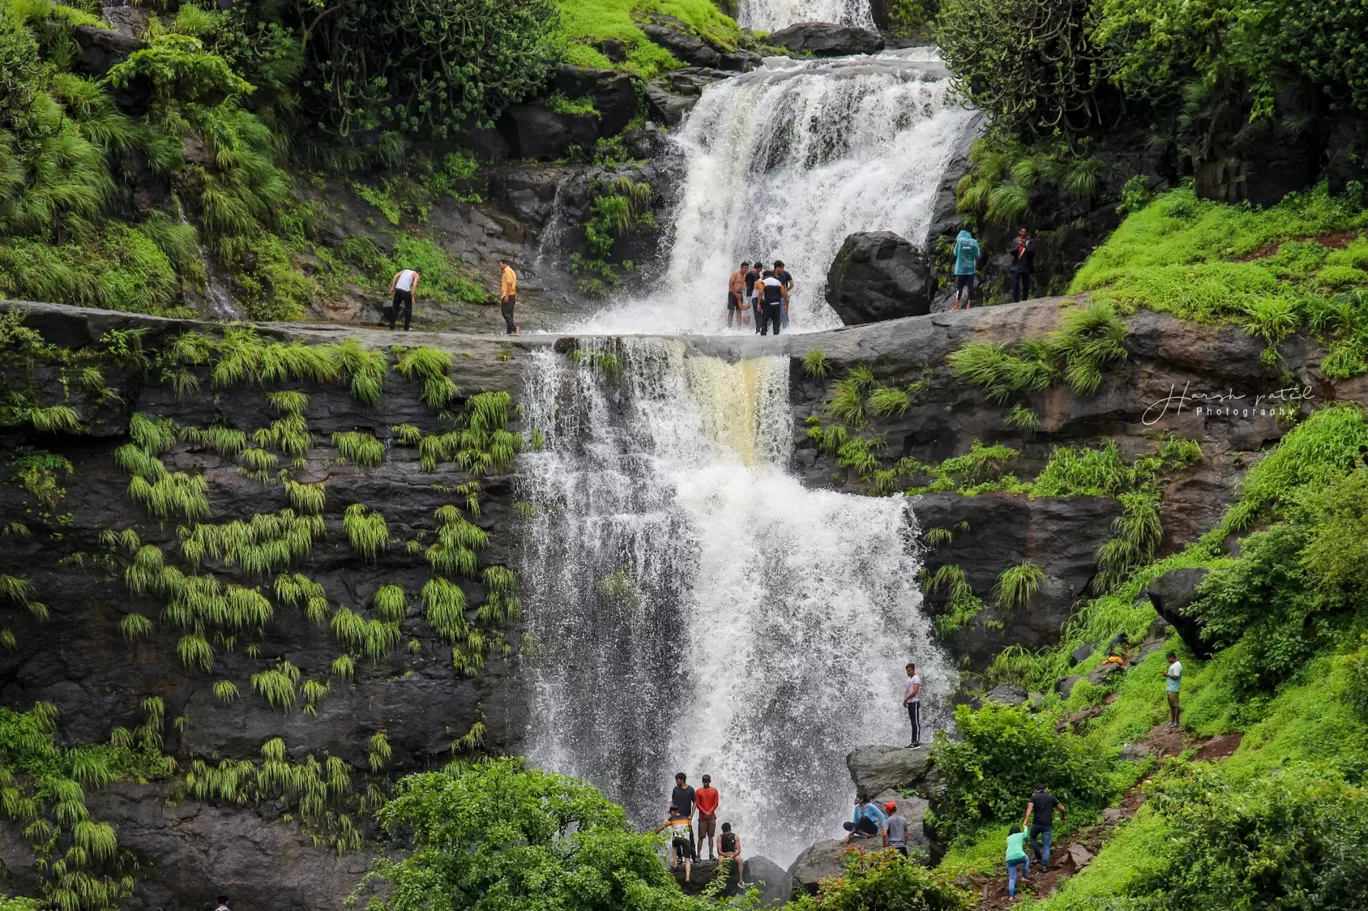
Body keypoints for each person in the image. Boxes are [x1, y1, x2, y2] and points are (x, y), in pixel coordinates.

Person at [1023, 785, 1065, 870]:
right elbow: (1062, 808)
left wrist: (1025, 821)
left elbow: (1029, 809)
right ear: (1044, 789)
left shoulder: (1033, 797)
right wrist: (1063, 816)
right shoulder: (1051, 798)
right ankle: (1045, 866)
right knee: (1046, 846)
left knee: (1032, 838)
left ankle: (1038, 856)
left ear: (1036, 790)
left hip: (1036, 823)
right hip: (1047, 825)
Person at [656, 805, 695, 881]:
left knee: (674, 847)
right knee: (687, 859)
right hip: (686, 840)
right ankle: (687, 878)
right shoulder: (686, 818)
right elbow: (690, 830)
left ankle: (675, 864)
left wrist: (654, 833)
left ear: (673, 812)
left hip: (677, 838)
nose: (670, 814)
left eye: (670, 812)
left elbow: (662, 828)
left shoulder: (671, 819)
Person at [951, 229, 980, 311]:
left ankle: (956, 306)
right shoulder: (974, 242)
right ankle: (969, 305)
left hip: (961, 269)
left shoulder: (959, 241)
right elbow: (977, 254)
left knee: (959, 287)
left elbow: (955, 253)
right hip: (971, 268)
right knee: (970, 287)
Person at [695, 774, 720, 860]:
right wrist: (704, 812)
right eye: (704, 782)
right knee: (701, 836)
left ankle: (711, 854)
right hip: (702, 817)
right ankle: (698, 855)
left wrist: (710, 811)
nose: (705, 784)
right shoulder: (698, 791)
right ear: (702, 782)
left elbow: (716, 803)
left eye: (707, 782)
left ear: (710, 781)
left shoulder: (714, 791)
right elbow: (697, 804)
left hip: (711, 816)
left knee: (711, 836)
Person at [387, 267, 421, 331]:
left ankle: (392, 326)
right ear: (419, 273)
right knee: (408, 309)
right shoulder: (416, 275)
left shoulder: (405, 271)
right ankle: (406, 327)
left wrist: (393, 287)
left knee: (395, 308)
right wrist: (413, 297)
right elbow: (414, 285)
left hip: (398, 290)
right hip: (405, 292)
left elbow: (395, 276)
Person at [671, 772, 697, 854]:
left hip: (686, 818)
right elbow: (673, 801)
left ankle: (693, 855)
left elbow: (695, 802)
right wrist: (672, 813)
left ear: (682, 780)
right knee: (676, 837)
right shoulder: (675, 789)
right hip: (676, 818)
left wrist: (691, 814)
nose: (676, 781)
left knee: (690, 836)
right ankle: (679, 856)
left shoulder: (690, 790)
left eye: (677, 780)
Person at [1009, 228, 1036, 302]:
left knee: (1025, 285)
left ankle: (1024, 300)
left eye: (1025, 232)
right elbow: (1012, 251)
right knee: (1015, 284)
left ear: (1027, 233)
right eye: (1022, 231)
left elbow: (1032, 252)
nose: (1023, 233)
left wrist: (1025, 246)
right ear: (1019, 232)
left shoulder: (1031, 241)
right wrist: (1018, 246)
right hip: (1016, 266)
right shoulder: (1015, 240)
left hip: (1026, 266)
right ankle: (1015, 301)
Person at [1005, 824, 1030, 899]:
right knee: (1026, 859)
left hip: (1009, 858)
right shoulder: (1020, 835)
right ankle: (1024, 876)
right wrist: (1025, 827)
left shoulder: (1008, 838)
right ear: (1018, 831)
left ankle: (1011, 896)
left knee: (1012, 877)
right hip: (1019, 855)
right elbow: (1025, 835)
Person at [758, 270, 787, 336]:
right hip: (777, 304)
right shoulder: (779, 283)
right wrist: (785, 304)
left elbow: (760, 293)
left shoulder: (763, 282)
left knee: (764, 320)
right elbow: (784, 294)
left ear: (766, 276)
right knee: (776, 321)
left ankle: (763, 334)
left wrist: (758, 304)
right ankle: (776, 335)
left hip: (768, 304)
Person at [904, 662, 922, 749]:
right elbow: (907, 691)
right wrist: (905, 700)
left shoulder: (916, 678)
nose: (908, 672)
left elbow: (915, 691)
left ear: (914, 670)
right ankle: (913, 741)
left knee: (916, 722)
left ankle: (916, 742)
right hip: (910, 702)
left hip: (915, 702)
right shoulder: (909, 680)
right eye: (907, 671)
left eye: (909, 670)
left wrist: (906, 698)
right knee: (912, 722)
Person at [498, 259, 519, 335]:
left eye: (500, 265)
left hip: (508, 295)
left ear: (505, 264)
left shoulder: (507, 271)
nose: (499, 267)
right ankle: (509, 332)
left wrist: (506, 295)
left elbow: (509, 284)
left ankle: (514, 328)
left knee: (505, 313)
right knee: (510, 314)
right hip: (512, 295)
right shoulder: (511, 270)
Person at [773, 260, 795, 329]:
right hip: (783, 295)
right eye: (782, 268)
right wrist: (787, 291)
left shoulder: (772, 274)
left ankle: (780, 328)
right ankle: (785, 328)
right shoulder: (786, 273)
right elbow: (792, 284)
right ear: (778, 267)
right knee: (784, 312)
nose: (783, 269)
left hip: (776, 296)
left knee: (778, 312)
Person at [1163, 651, 1183, 728]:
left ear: (1172, 657)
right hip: (1170, 688)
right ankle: (1172, 721)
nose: (1168, 660)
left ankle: (1177, 722)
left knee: (1175, 706)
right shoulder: (1173, 665)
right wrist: (1167, 674)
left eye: (1168, 658)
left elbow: (1176, 677)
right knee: (1172, 706)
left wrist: (1167, 674)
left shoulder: (1177, 665)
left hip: (1174, 688)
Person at [727, 262, 749, 329]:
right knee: (731, 311)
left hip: (740, 295)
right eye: (745, 268)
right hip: (732, 294)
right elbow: (730, 284)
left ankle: (739, 328)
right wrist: (735, 294)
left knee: (739, 312)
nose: (746, 270)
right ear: (741, 268)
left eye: (747, 268)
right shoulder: (735, 274)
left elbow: (744, 287)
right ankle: (729, 327)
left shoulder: (745, 276)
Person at [748, 261, 764, 334]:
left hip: (751, 295)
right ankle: (759, 329)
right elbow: (756, 285)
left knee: (756, 314)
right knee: (760, 313)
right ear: (760, 268)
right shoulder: (756, 274)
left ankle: (757, 329)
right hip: (757, 296)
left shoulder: (749, 273)